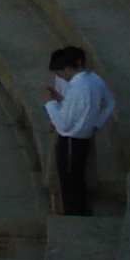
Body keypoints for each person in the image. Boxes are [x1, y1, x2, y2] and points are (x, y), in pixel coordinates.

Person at [45, 45, 115, 216]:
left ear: (68, 68)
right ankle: (80, 209)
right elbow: (110, 102)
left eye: (60, 73)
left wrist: (50, 103)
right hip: (84, 135)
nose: (60, 77)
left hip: (71, 138)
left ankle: (74, 213)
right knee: (77, 176)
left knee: (70, 181)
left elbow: (64, 124)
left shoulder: (77, 89)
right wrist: (96, 123)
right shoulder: (94, 79)